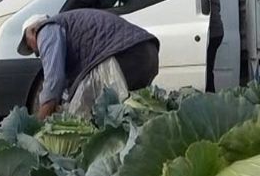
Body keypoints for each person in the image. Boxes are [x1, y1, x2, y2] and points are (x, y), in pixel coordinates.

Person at [16, 8, 160, 119]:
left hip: (123, 53)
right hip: (147, 51)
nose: (37, 52)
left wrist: (40, 125)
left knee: (80, 117)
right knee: (129, 115)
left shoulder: (46, 29)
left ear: (33, 31)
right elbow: (69, 85)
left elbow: (54, 80)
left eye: (30, 45)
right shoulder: (70, 27)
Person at [146, 0, 225, 92]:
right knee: (207, 73)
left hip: (210, 29)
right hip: (213, 29)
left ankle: (209, 101)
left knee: (206, 74)